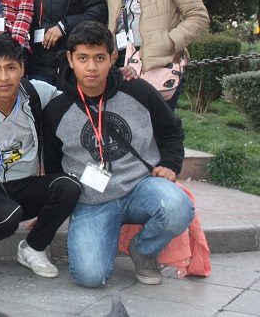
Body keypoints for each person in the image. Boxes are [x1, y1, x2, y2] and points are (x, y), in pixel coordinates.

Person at [43, 21, 194, 287]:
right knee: (89, 277)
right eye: (83, 58)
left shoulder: (138, 90)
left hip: (141, 188)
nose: (91, 67)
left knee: (177, 206)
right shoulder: (57, 109)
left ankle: (143, 249)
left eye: (99, 58)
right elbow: (54, 164)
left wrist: (171, 163)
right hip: (92, 200)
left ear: (112, 57)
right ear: (70, 59)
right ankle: (103, 233)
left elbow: (171, 130)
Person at [0, 34, 81, 278]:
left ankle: (33, 247)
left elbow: (76, 96)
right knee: (6, 217)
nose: (4, 78)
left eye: (11, 68)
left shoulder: (37, 93)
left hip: (24, 183)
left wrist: (123, 78)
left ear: (22, 68)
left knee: (69, 187)